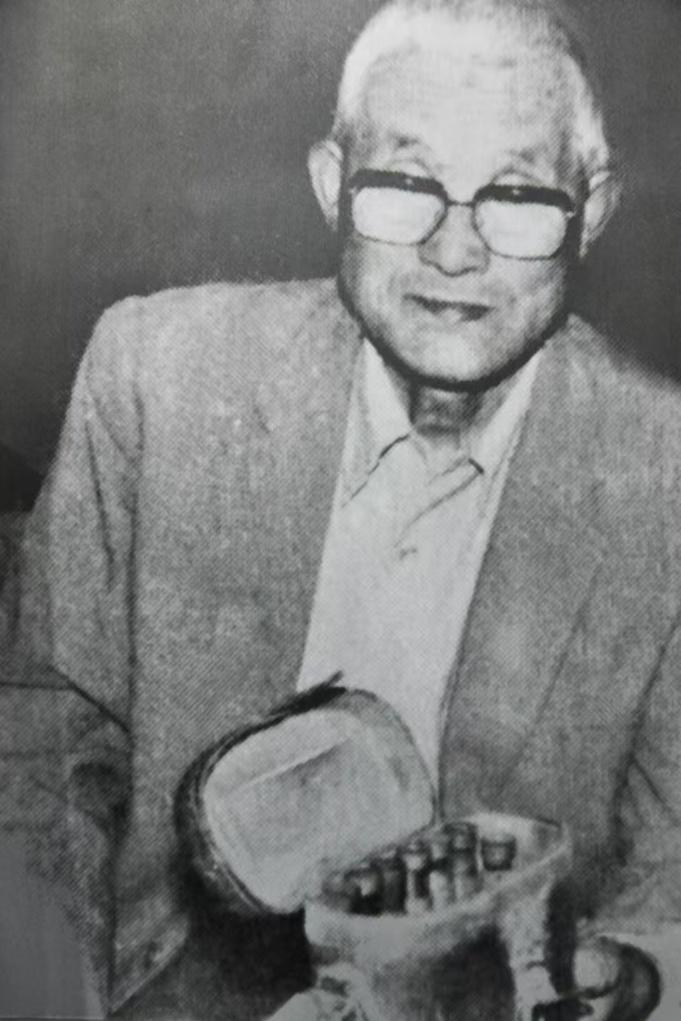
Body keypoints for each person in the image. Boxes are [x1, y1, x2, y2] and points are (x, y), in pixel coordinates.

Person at [1, 0, 680, 1017]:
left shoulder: (664, 473)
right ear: (332, 185)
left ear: (590, 211)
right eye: (406, 184)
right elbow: (39, 764)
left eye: (516, 195)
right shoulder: (157, 377)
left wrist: (623, 980)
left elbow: (672, 872)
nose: (455, 250)